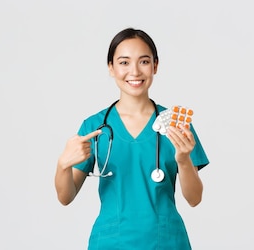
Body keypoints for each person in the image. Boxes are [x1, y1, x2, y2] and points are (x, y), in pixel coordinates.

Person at [54, 27, 210, 250]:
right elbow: (65, 196)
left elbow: (194, 199)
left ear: (155, 65)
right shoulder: (94, 127)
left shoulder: (176, 124)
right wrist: (63, 165)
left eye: (144, 62)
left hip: (166, 242)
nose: (135, 71)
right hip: (110, 243)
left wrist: (184, 159)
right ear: (111, 68)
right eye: (124, 62)